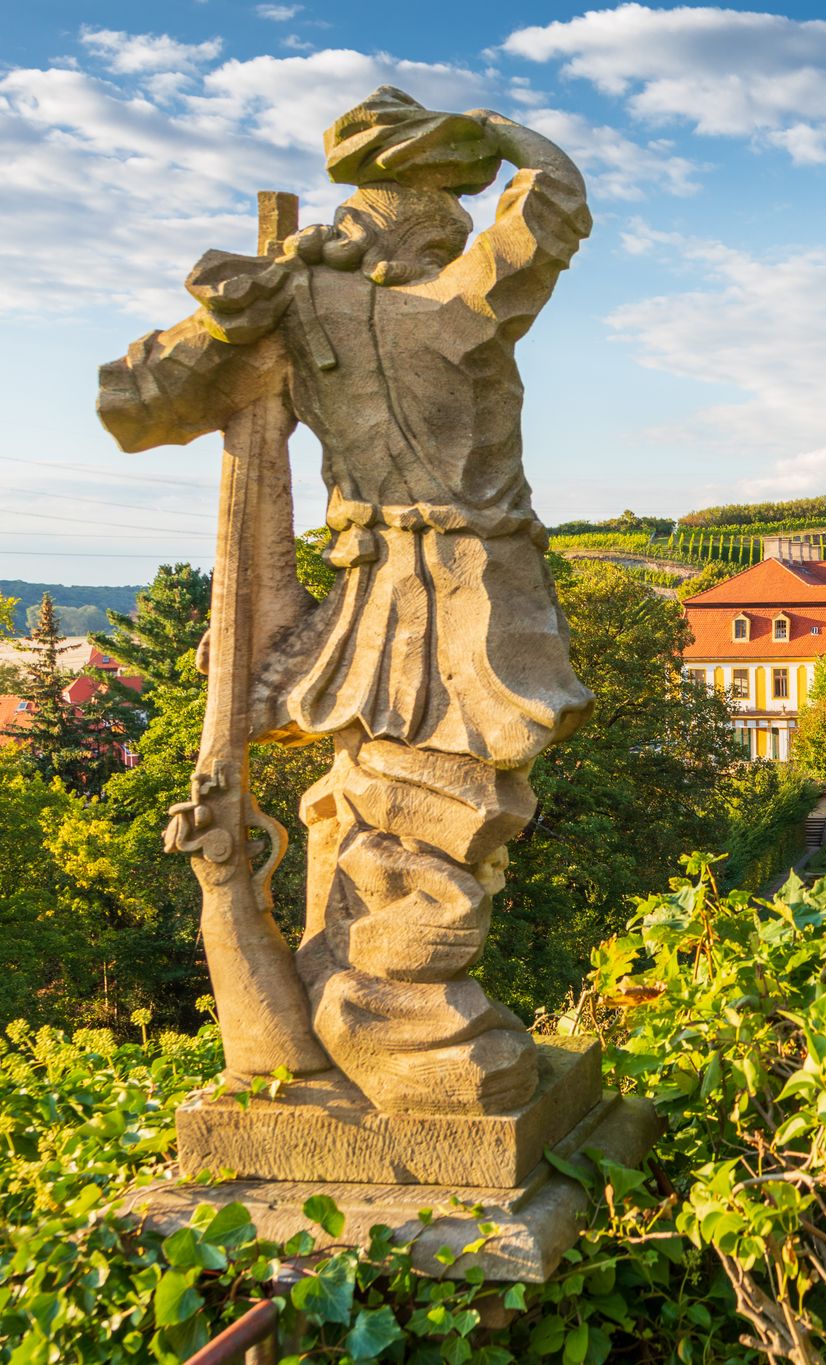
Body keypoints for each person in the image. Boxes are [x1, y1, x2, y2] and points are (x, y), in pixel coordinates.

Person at [98, 90, 593, 1115]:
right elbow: (550, 207)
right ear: (426, 229)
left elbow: (133, 405)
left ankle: (371, 1001)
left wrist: (236, 311)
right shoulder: (457, 303)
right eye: (441, 215)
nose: (449, 231)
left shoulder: (303, 300)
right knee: (416, 800)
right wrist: (498, 131)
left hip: (378, 591)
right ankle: (383, 1016)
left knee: (382, 790)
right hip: (464, 592)